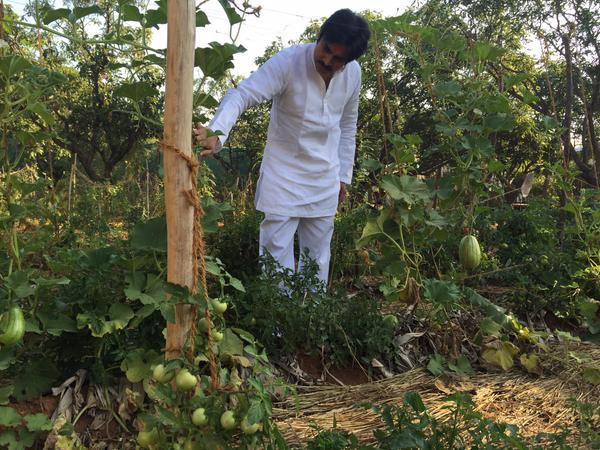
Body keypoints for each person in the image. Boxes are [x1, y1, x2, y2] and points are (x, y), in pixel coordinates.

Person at [195, 9, 370, 284]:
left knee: (318, 260)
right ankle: (278, 327)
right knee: (275, 259)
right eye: (325, 49)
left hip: (325, 180)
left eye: (338, 59)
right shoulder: (289, 62)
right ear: (319, 36)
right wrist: (217, 132)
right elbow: (242, 94)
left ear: (348, 61)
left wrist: (342, 177)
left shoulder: (353, 75)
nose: (327, 59)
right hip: (283, 177)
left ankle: (310, 322)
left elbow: (347, 126)